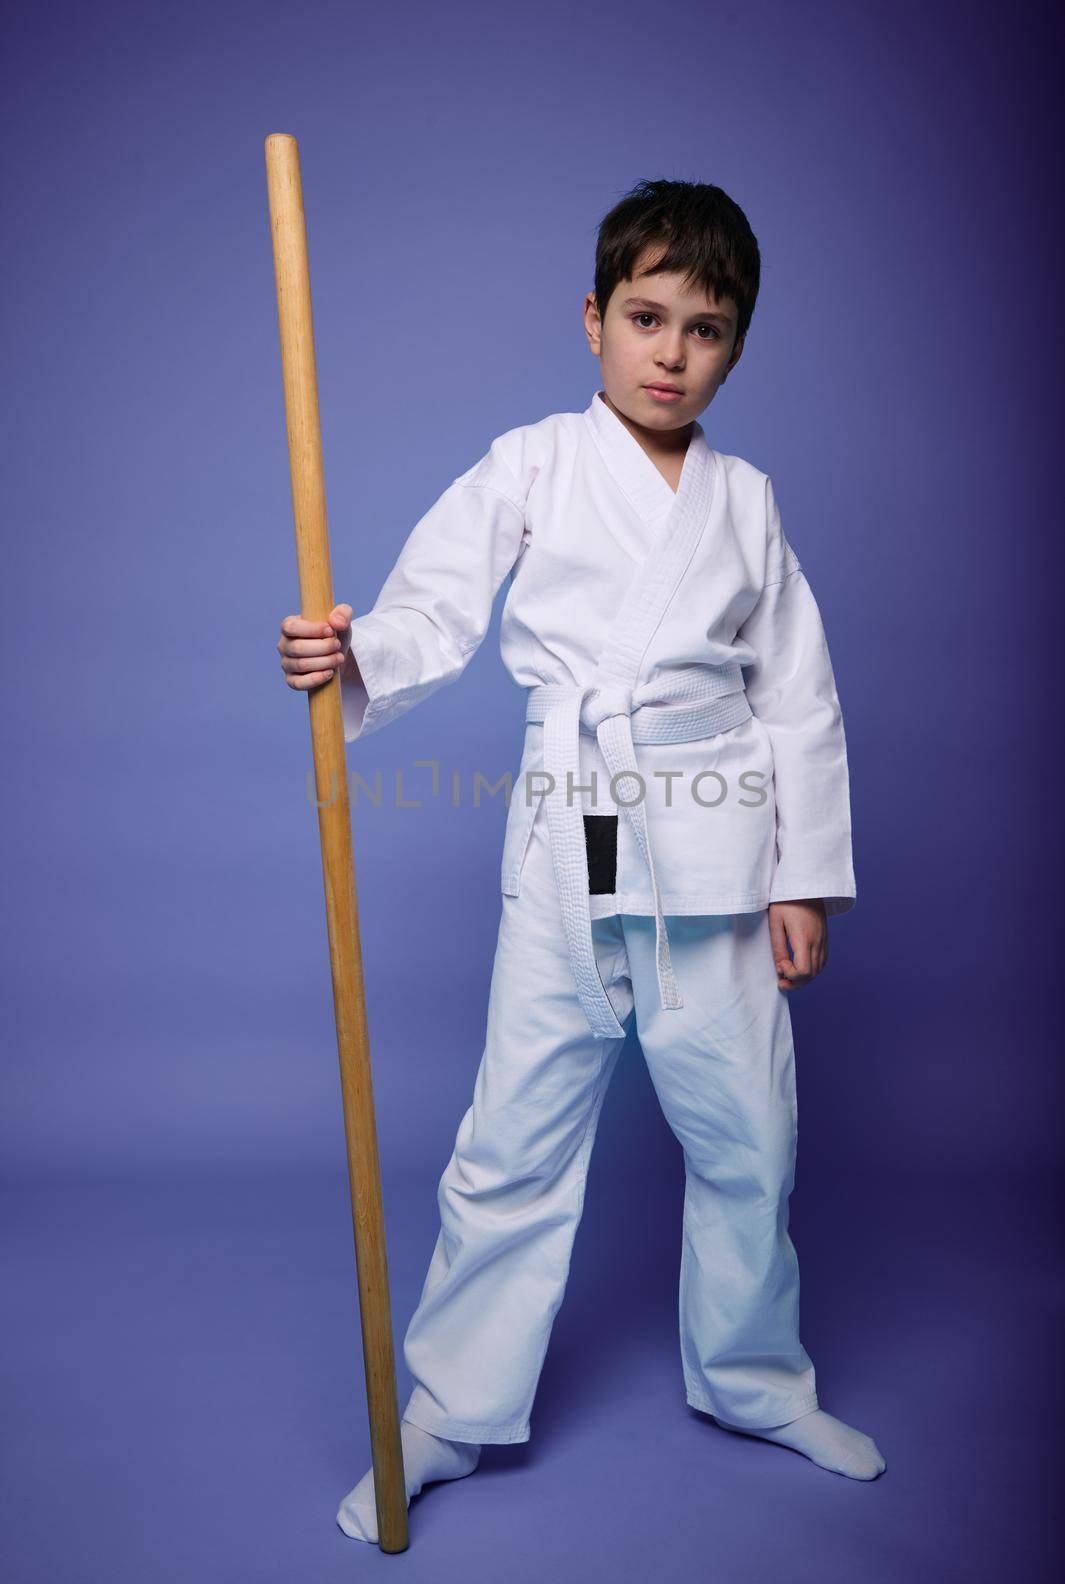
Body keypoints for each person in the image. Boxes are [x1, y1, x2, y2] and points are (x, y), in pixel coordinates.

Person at [276, 179, 886, 1543]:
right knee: (520, 1122)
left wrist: (802, 877)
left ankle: (750, 1376)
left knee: (747, 1126)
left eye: (706, 328)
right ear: (593, 321)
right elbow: (437, 599)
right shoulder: (533, 463)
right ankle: (442, 1408)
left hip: (719, 824)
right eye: (645, 317)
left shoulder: (745, 502)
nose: (671, 353)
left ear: (737, 346)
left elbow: (797, 695)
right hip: (587, 810)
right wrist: (356, 650)